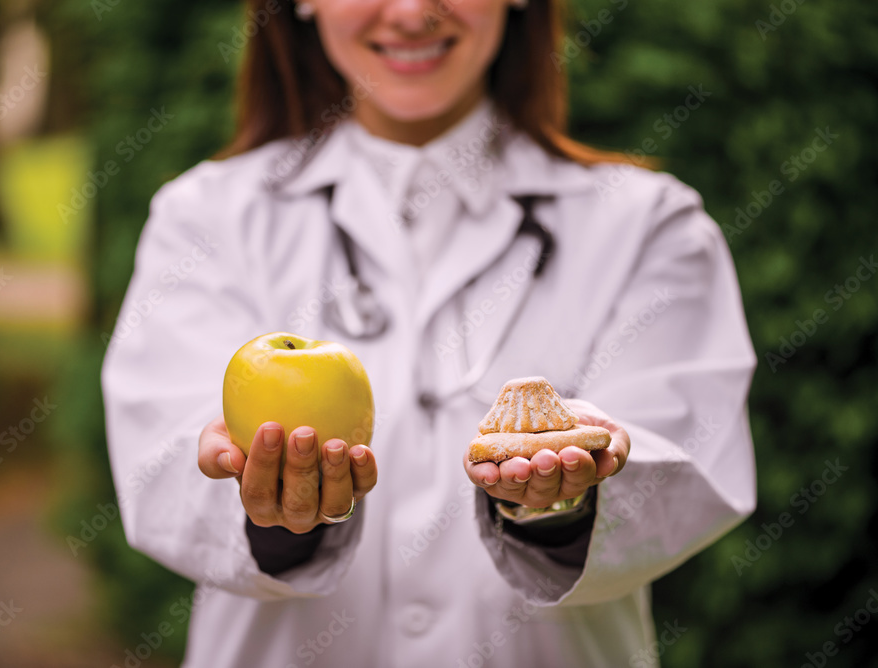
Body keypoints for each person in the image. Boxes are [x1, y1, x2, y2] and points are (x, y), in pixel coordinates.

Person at [101, 0, 757, 665]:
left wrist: (564, 504)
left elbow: (685, 460)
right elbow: (165, 466)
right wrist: (276, 518)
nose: (412, 13)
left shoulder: (648, 226)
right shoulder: (207, 219)